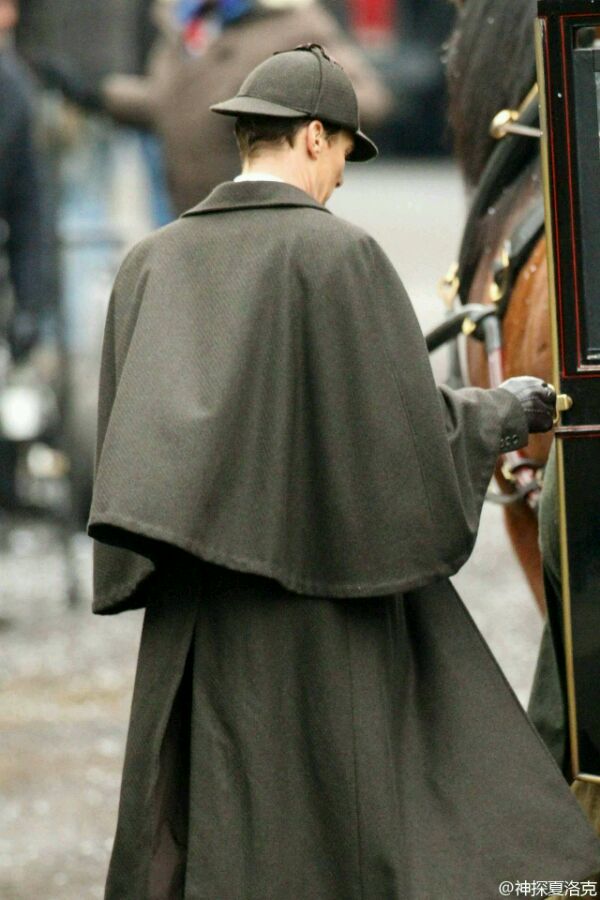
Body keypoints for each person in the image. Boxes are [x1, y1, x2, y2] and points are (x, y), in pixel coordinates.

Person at [89, 45, 600, 899]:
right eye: (341, 160)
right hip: (320, 621)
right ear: (314, 137)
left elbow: (129, 459)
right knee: (339, 836)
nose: (338, 183)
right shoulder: (340, 258)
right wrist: (507, 411)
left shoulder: (149, 263)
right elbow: (406, 442)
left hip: (198, 631)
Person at [35, 0, 392, 216]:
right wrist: (98, 94)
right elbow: (171, 103)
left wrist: (276, 100)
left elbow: (369, 97)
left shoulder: (294, 23)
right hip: (185, 209)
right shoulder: (190, 22)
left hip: (258, 215)